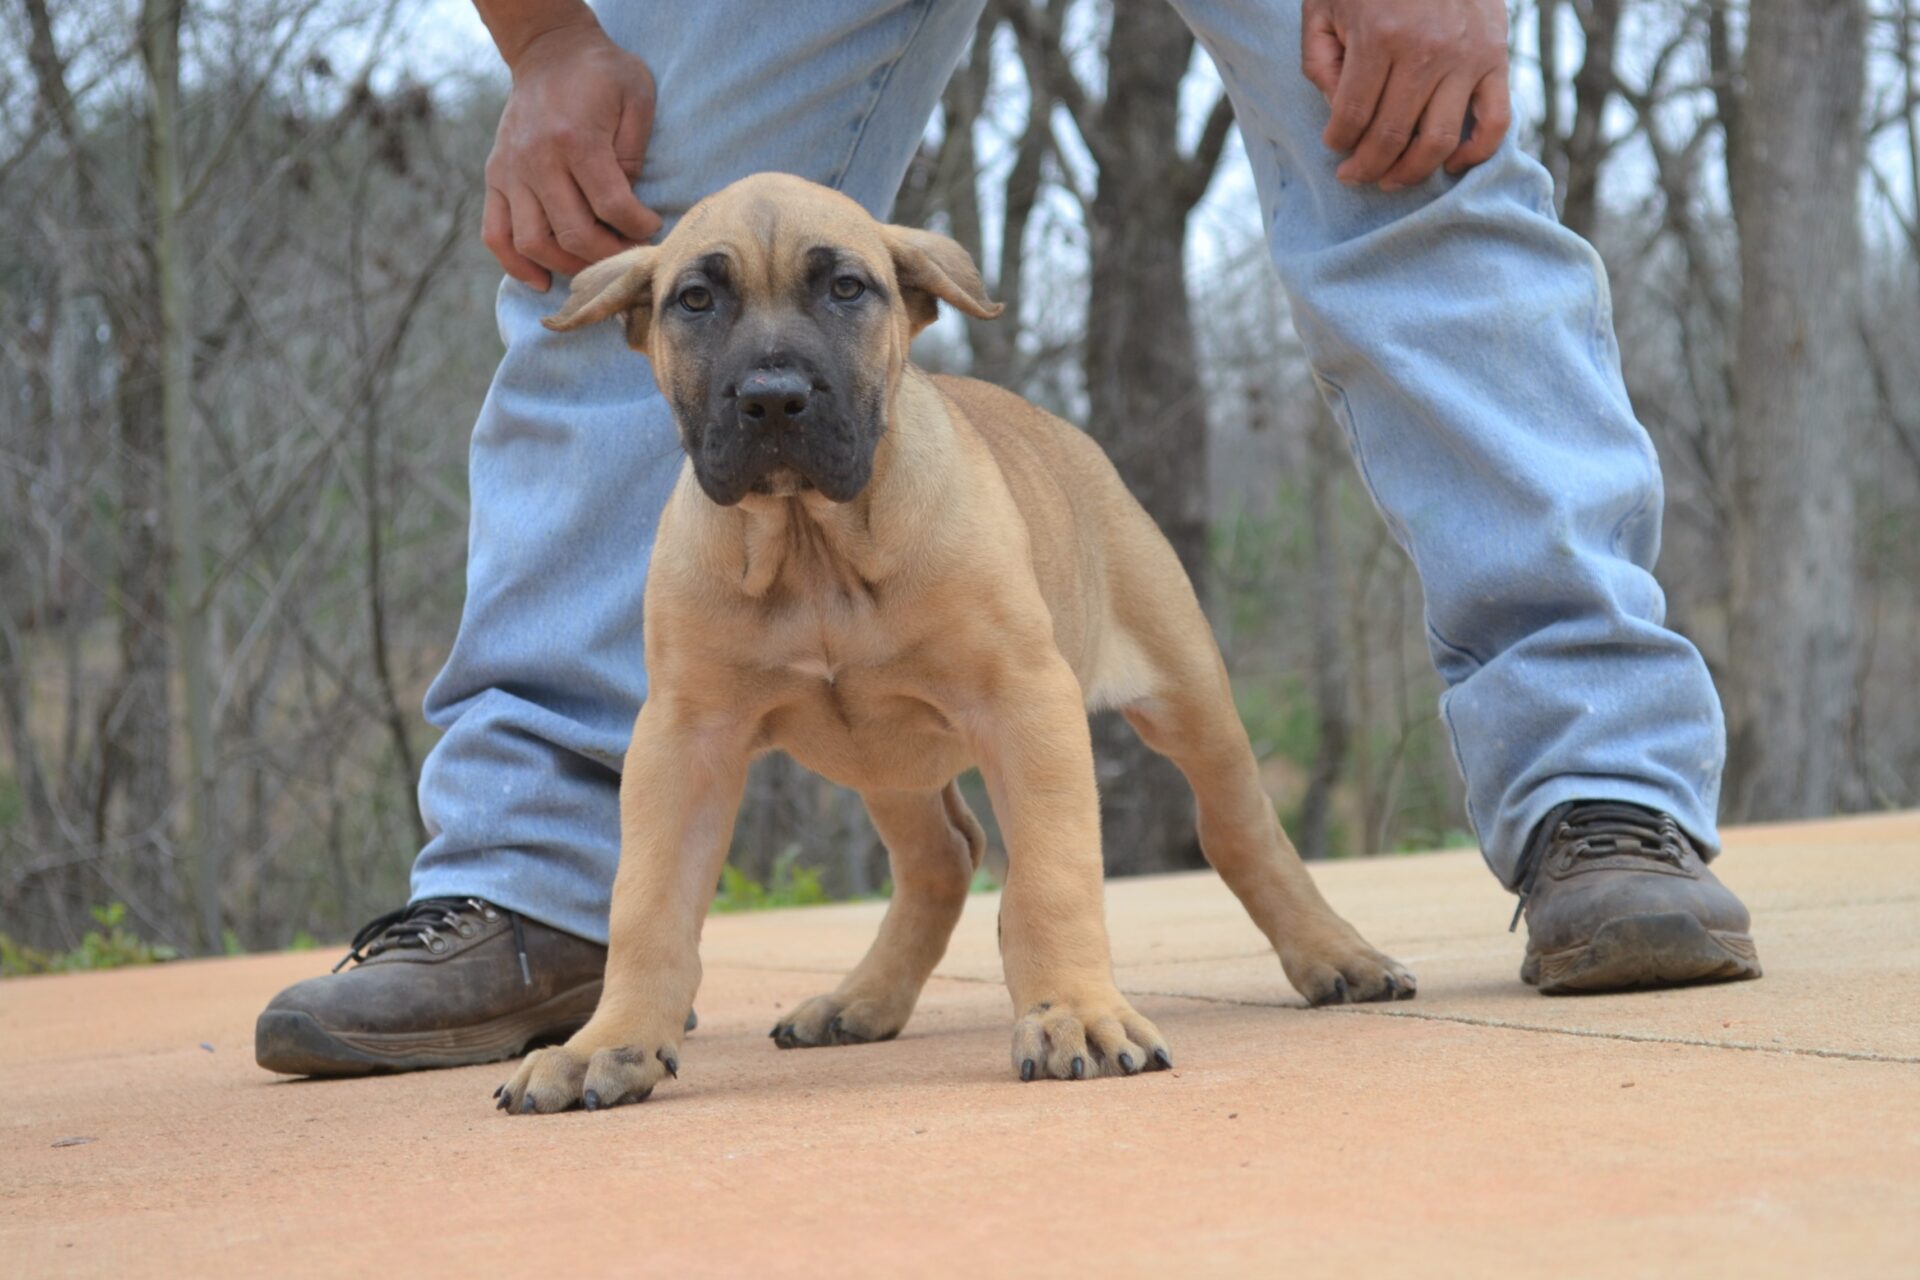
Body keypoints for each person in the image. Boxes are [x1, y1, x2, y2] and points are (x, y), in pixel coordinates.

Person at [255, 0, 1759, 1078]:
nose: (772, 374)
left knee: (1408, 147)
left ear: (919, 305)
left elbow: (1035, 705)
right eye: (698, 311)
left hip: (998, 554)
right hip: (732, 616)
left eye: (846, 304)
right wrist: (546, 38)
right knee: (607, 197)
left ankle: (1600, 793)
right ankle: (537, 882)